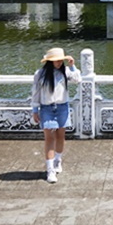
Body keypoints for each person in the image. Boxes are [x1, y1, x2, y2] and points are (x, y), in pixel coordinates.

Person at [30, 47, 80, 183]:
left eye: (60, 60)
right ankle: (50, 170)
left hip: (62, 107)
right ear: (49, 61)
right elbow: (35, 93)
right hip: (47, 108)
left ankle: (58, 160)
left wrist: (72, 65)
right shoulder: (40, 74)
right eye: (56, 61)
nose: (58, 63)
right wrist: (35, 110)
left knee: (60, 136)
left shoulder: (65, 71)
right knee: (49, 138)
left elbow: (77, 80)